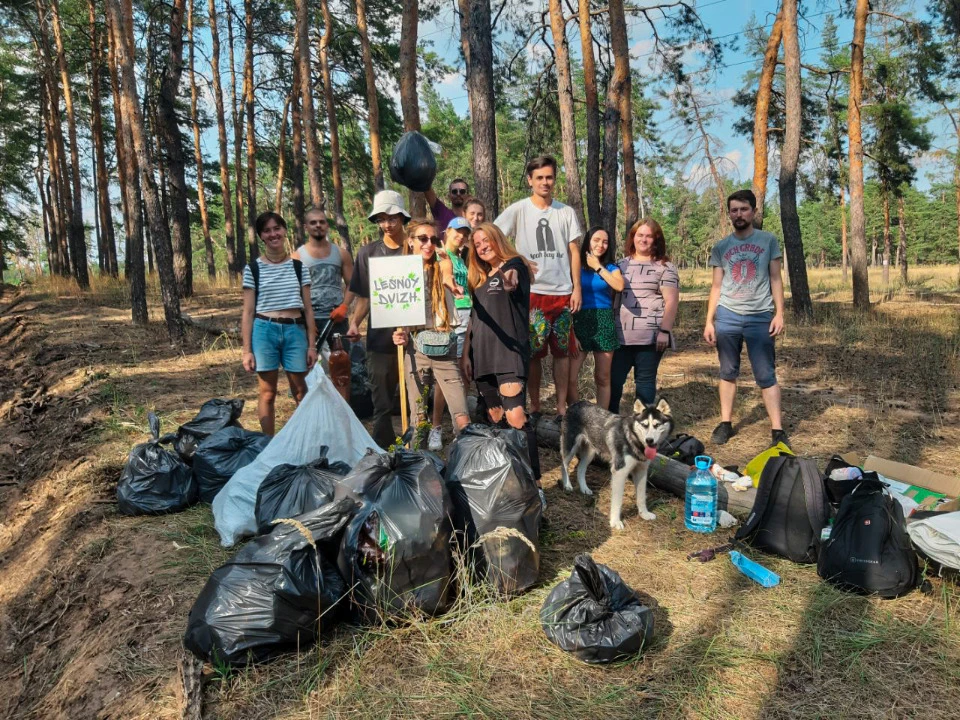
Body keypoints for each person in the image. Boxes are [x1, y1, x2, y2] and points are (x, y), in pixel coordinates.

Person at [494, 156, 583, 424]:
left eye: (550, 177)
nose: (545, 182)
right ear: (530, 180)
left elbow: (574, 250)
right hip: (531, 294)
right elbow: (493, 236)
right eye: (540, 177)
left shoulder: (565, 212)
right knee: (533, 352)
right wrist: (515, 261)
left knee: (562, 352)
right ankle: (534, 405)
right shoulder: (519, 210)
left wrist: (576, 287)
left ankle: (560, 408)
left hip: (562, 292)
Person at [704, 189, 787, 447]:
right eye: (734, 210)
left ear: (753, 211)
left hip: (760, 316)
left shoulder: (768, 241)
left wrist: (780, 313)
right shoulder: (721, 247)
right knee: (727, 371)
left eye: (743, 209)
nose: (738, 214)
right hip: (727, 316)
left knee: (766, 374)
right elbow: (716, 286)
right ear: (729, 214)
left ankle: (777, 431)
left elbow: (776, 279)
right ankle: (726, 423)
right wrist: (709, 320)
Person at [460, 223, 541, 481]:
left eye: (487, 240)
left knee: (516, 417)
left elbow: (513, 281)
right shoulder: (480, 279)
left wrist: (510, 280)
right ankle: (509, 477)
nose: (483, 246)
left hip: (509, 354)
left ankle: (532, 483)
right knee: (496, 419)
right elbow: (474, 320)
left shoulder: (515, 266)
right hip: (482, 357)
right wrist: (465, 355)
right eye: (478, 244)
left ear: (497, 239)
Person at [392, 219, 470, 448]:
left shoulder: (443, 261)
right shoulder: (401, 272)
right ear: (410, 241)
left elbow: (447, 276)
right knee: (418, 418)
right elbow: (397, 310)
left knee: (461, 416)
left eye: (434, 239)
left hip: (445, 345)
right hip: (415, 348)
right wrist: (399, 333)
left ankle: (467, 469)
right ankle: (417, 468)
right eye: (422, 238)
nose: (429, 244)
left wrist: (451, 285)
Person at [241, 212, 317, 436]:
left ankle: (306, 439)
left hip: (295, 331)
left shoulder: (298, 267)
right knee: (267, 393)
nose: (273, 234)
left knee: (302, 391)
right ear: (261, 236)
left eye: (277, 228)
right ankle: (268, 444)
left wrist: (311, 345)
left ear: (284, 231)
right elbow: (247, 312)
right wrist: (247, 351)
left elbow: (308, 309)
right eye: (267, 230)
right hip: (264, 331)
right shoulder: (252, 269)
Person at [346, 190, 409, 448]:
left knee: (414, 394)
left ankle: (415, 446)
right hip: (380, 338)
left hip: (414, 337)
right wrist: (354, 322)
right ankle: (383, 449)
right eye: (381, 219)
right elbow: (365, 296)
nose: (387, 224)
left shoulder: (415, 248)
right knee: (381, 398)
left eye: (392, 217)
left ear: (402, 217)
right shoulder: (368, 253)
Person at [608, 218, 679, 414]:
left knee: (645, 383)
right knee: (613, 381)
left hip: (650, 336)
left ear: (656, 239)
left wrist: (664, 330)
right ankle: (611, 425)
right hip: (620, 335)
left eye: (649, 236)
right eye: (640, 235)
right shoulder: (620, 265)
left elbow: (671, 301)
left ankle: (644, 428)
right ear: (633, 237)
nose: (644, 240)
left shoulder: (665, 267)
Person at [569, 226, 624, 411]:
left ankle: (601, 418)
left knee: (602, 376)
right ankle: (578, 413)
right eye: (596, 240)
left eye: (605, 241)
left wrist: (598, 267)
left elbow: (619, 285)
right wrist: (571, 331)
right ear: (588, 242)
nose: (601, 244)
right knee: (571, 376)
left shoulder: (610, 267)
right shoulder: (575, 267)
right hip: (580, 320)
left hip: (604, 321)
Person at [430, 217, 473, 449]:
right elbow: (443, 278)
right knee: (445, 377)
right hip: (450, 320)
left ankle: (459, 427)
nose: (461, 236)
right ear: (447, 231)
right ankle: (436, 427)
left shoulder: (461, 258)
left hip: (467, 317)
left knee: (462, 375)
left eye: (464, 233)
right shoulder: (440, 254)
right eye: (457, 232)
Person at [292, 207, 353, 350]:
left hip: (337, 319)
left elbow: (352, 284)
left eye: (322, 222)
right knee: (311, 367)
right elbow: (294, 292)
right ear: (306, 227)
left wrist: (344, 306)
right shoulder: (296, 257)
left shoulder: (341, 254)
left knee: (341, 364)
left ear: (327, 225)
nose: (318, 225)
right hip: (310, 319)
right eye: (313, 223)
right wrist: (306, 322)